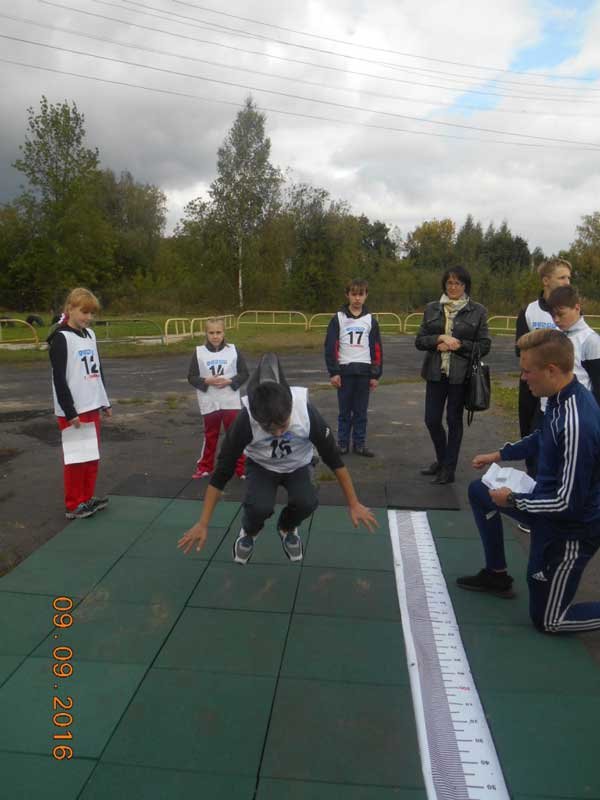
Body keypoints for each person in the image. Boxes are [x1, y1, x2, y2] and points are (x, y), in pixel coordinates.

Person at [458, 329, 600, 633]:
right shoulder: (561, 397)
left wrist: (512, 499)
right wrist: (500, 454)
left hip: (571, 530)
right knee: (480, 491)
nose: (523, 379)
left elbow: (567, 504)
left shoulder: (577, 422)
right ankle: (496, 573)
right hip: (547, 506)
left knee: (548, 621)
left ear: (551, 370)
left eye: (527, 371)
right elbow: (541, 437)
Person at [178, 353, 378, 563]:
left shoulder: (306, 414)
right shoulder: (245, 421)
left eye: (283, 426)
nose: (278, 434)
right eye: (269, 429)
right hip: (262, 465)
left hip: (298, 465)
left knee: (307, 502)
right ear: (257, 418)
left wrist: (353, 503)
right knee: (259, 507)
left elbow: (334, 461)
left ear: (290, 408)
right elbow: (222, 473)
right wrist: (203, 523)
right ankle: (249, 531)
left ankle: (287, 527)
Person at [415, 265, 491, 485]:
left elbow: (484, 345)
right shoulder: (432, 308)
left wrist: (457, 345)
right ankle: (442, 460)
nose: (453, 287)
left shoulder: (478, 311)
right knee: (431, 420)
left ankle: (449, 469)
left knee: (453, 421)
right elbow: (420, 341)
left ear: (465, 286)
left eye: (458, 283)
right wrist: (439, 338)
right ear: (444, 284)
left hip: (461, 376)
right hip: (435, 374)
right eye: (449, 283)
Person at [48, 288, 112, 520]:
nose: (88, 317)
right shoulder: (60, 338)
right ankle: (73, 504)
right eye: (84, 312)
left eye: (91, 313)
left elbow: (97, 369)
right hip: (73, 410)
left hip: (91, 404)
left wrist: (104, 401)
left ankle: (86, 497)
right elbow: (59, 379)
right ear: (70, 309)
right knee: (76, 459)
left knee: (91, 456)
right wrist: (69, 411)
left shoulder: (90, 335)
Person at [515, 257, 571, 474]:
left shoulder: (572, 311)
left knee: (558, 443)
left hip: (560, 386)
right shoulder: (529, 311)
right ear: (546, 280)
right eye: (562, 277)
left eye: (569, 278)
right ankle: (533, 481)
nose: (567, 282)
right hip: (532, 386)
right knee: (530, 439)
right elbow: (520, 350)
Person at [324, 278, 382, 457]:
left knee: (361, 411)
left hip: (364, 371)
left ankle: (359, 444)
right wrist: (334, 372)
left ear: (366, 296)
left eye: (361, 294)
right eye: (354, 294)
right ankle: (342, 444)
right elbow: (331, 346)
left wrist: (375, 374)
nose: (357, 298)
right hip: (345, 371)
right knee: (344, 411)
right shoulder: (338, 318)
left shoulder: (370, 320)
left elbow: (377, 349)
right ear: (347, 295)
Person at [187, 317, 249, 479]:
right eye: (211, 333)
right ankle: (205, 466)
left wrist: (231, 381)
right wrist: (206, 381)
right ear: (206, 333)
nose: (215, 336)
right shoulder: (199, 352)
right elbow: (191, 377)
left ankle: (241, 468)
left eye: (218, 332)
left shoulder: (233, 350)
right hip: (209, 400)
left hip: (230, 400)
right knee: (210, 435)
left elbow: (244, 373)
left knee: (235, 435)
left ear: (224, 333)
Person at [546, 285, 600, 406]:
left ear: (577, 308)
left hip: (579, 409)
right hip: (551, 407)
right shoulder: (553, 335)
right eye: (553, 315)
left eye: (561, 314)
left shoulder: (591, 341)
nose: (556, 320)